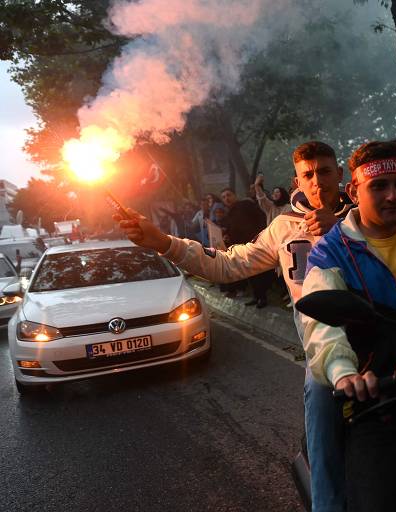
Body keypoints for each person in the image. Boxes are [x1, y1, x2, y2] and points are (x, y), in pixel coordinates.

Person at [115, 141, 354, 512]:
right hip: (323, 359)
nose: (317, 181)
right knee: (323, 447)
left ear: (340, 175)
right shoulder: (282, 228)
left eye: (325, 171)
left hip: (381, 346)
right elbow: (227, 265)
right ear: (296, 181)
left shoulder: (367, 214)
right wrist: (162, 241)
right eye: (308, 174)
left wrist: (340, 227)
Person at [302, 141, 396, 511]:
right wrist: (344, 375)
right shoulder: (330, 252)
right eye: (379, 186)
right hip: (379, 404)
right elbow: (320, 328)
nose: (393, 196)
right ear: (354, 190)